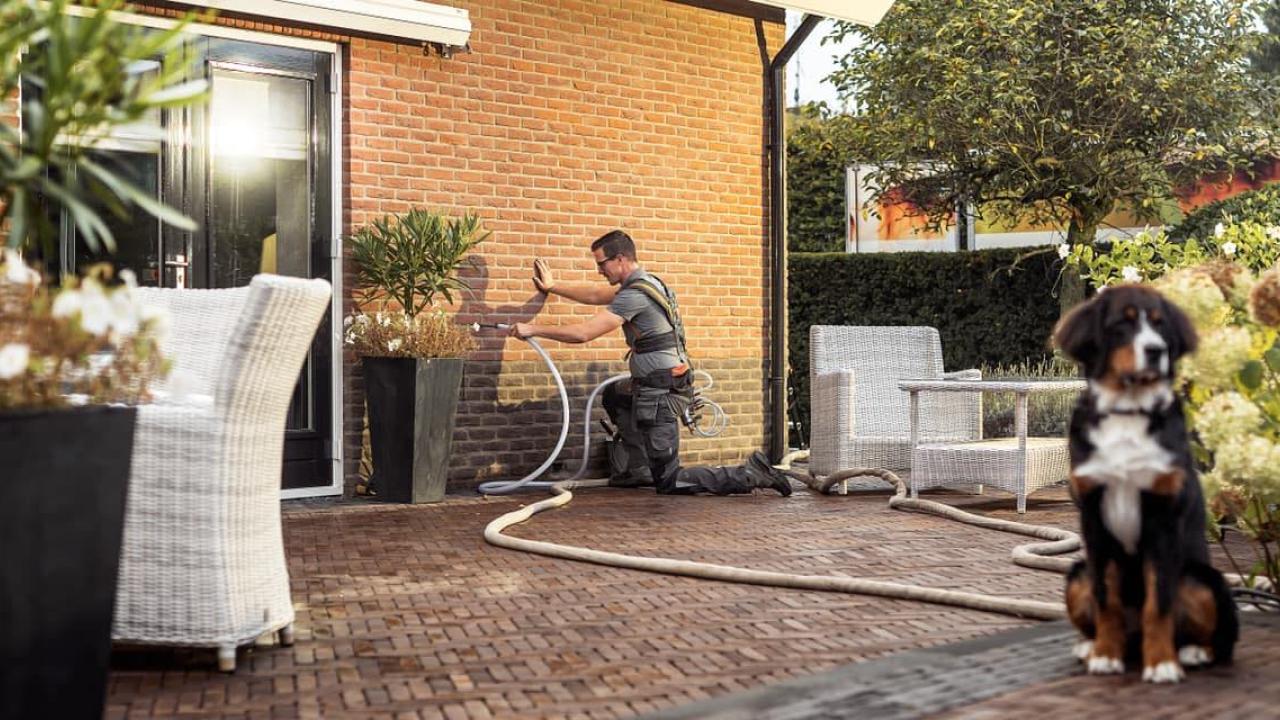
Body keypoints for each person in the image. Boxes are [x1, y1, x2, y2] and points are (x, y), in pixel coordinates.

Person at [509, 230, 792, 497]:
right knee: (615, 395)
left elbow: (583, 334)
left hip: (661, 391)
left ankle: (751, 475)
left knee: (670, 481)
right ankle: (638, 468)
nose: (599, 270)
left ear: (620, 259)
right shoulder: (649, 284)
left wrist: (534, 330)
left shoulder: (635, 295)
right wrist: (553, 287)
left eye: (602, 263)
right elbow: (595, 295)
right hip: (652, 384)